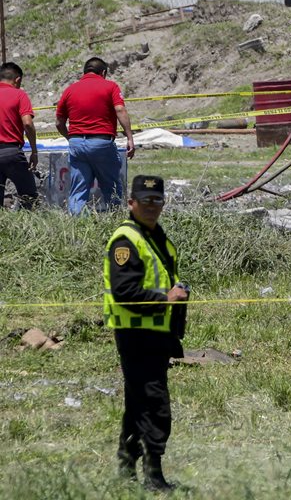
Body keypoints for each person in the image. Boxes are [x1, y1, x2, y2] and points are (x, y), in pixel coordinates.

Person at [104, 175, 188, 491]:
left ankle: (127, 470)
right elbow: (124, 290)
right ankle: (154, 476)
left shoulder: (156, 237)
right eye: (145, 201)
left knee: (139, 404)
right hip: (135, 334)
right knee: (155, 406)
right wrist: (165, 298)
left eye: (157, 201)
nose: (152, 207)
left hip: (157, 334)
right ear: (131, 203)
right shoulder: (126, 240)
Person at [55, 57, 135, 214]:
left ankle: (76, 227)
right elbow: (120, 110)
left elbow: (59, 122)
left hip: (77, 143)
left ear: (84, 72)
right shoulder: (110, 86)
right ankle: (114, 219)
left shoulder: (69, 90)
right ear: (103, 72)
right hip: (101, 142)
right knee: (111, 187)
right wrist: (130, 137)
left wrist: (71, 138)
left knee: (78, 189)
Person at [0, 62, 38, 208]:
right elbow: (27, 123)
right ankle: (27, 229)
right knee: (29, 198)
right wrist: (34, 151)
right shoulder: (19, 94)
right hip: (12, 153)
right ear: (17, 79)